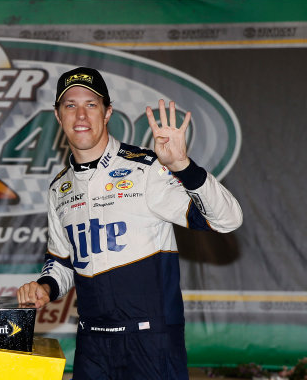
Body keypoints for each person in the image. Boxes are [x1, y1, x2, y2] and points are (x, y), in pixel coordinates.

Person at [17, 67, 243, 380]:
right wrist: (45, 286)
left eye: (91, 104)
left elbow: (228, 220)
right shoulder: (59, 188)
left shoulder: (145, 169)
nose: (80, 115)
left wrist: (183, 167)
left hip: (150, 341)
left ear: (108, 113)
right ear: (58, 116)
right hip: (92, 343)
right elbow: (62, 262)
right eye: (70, 105)